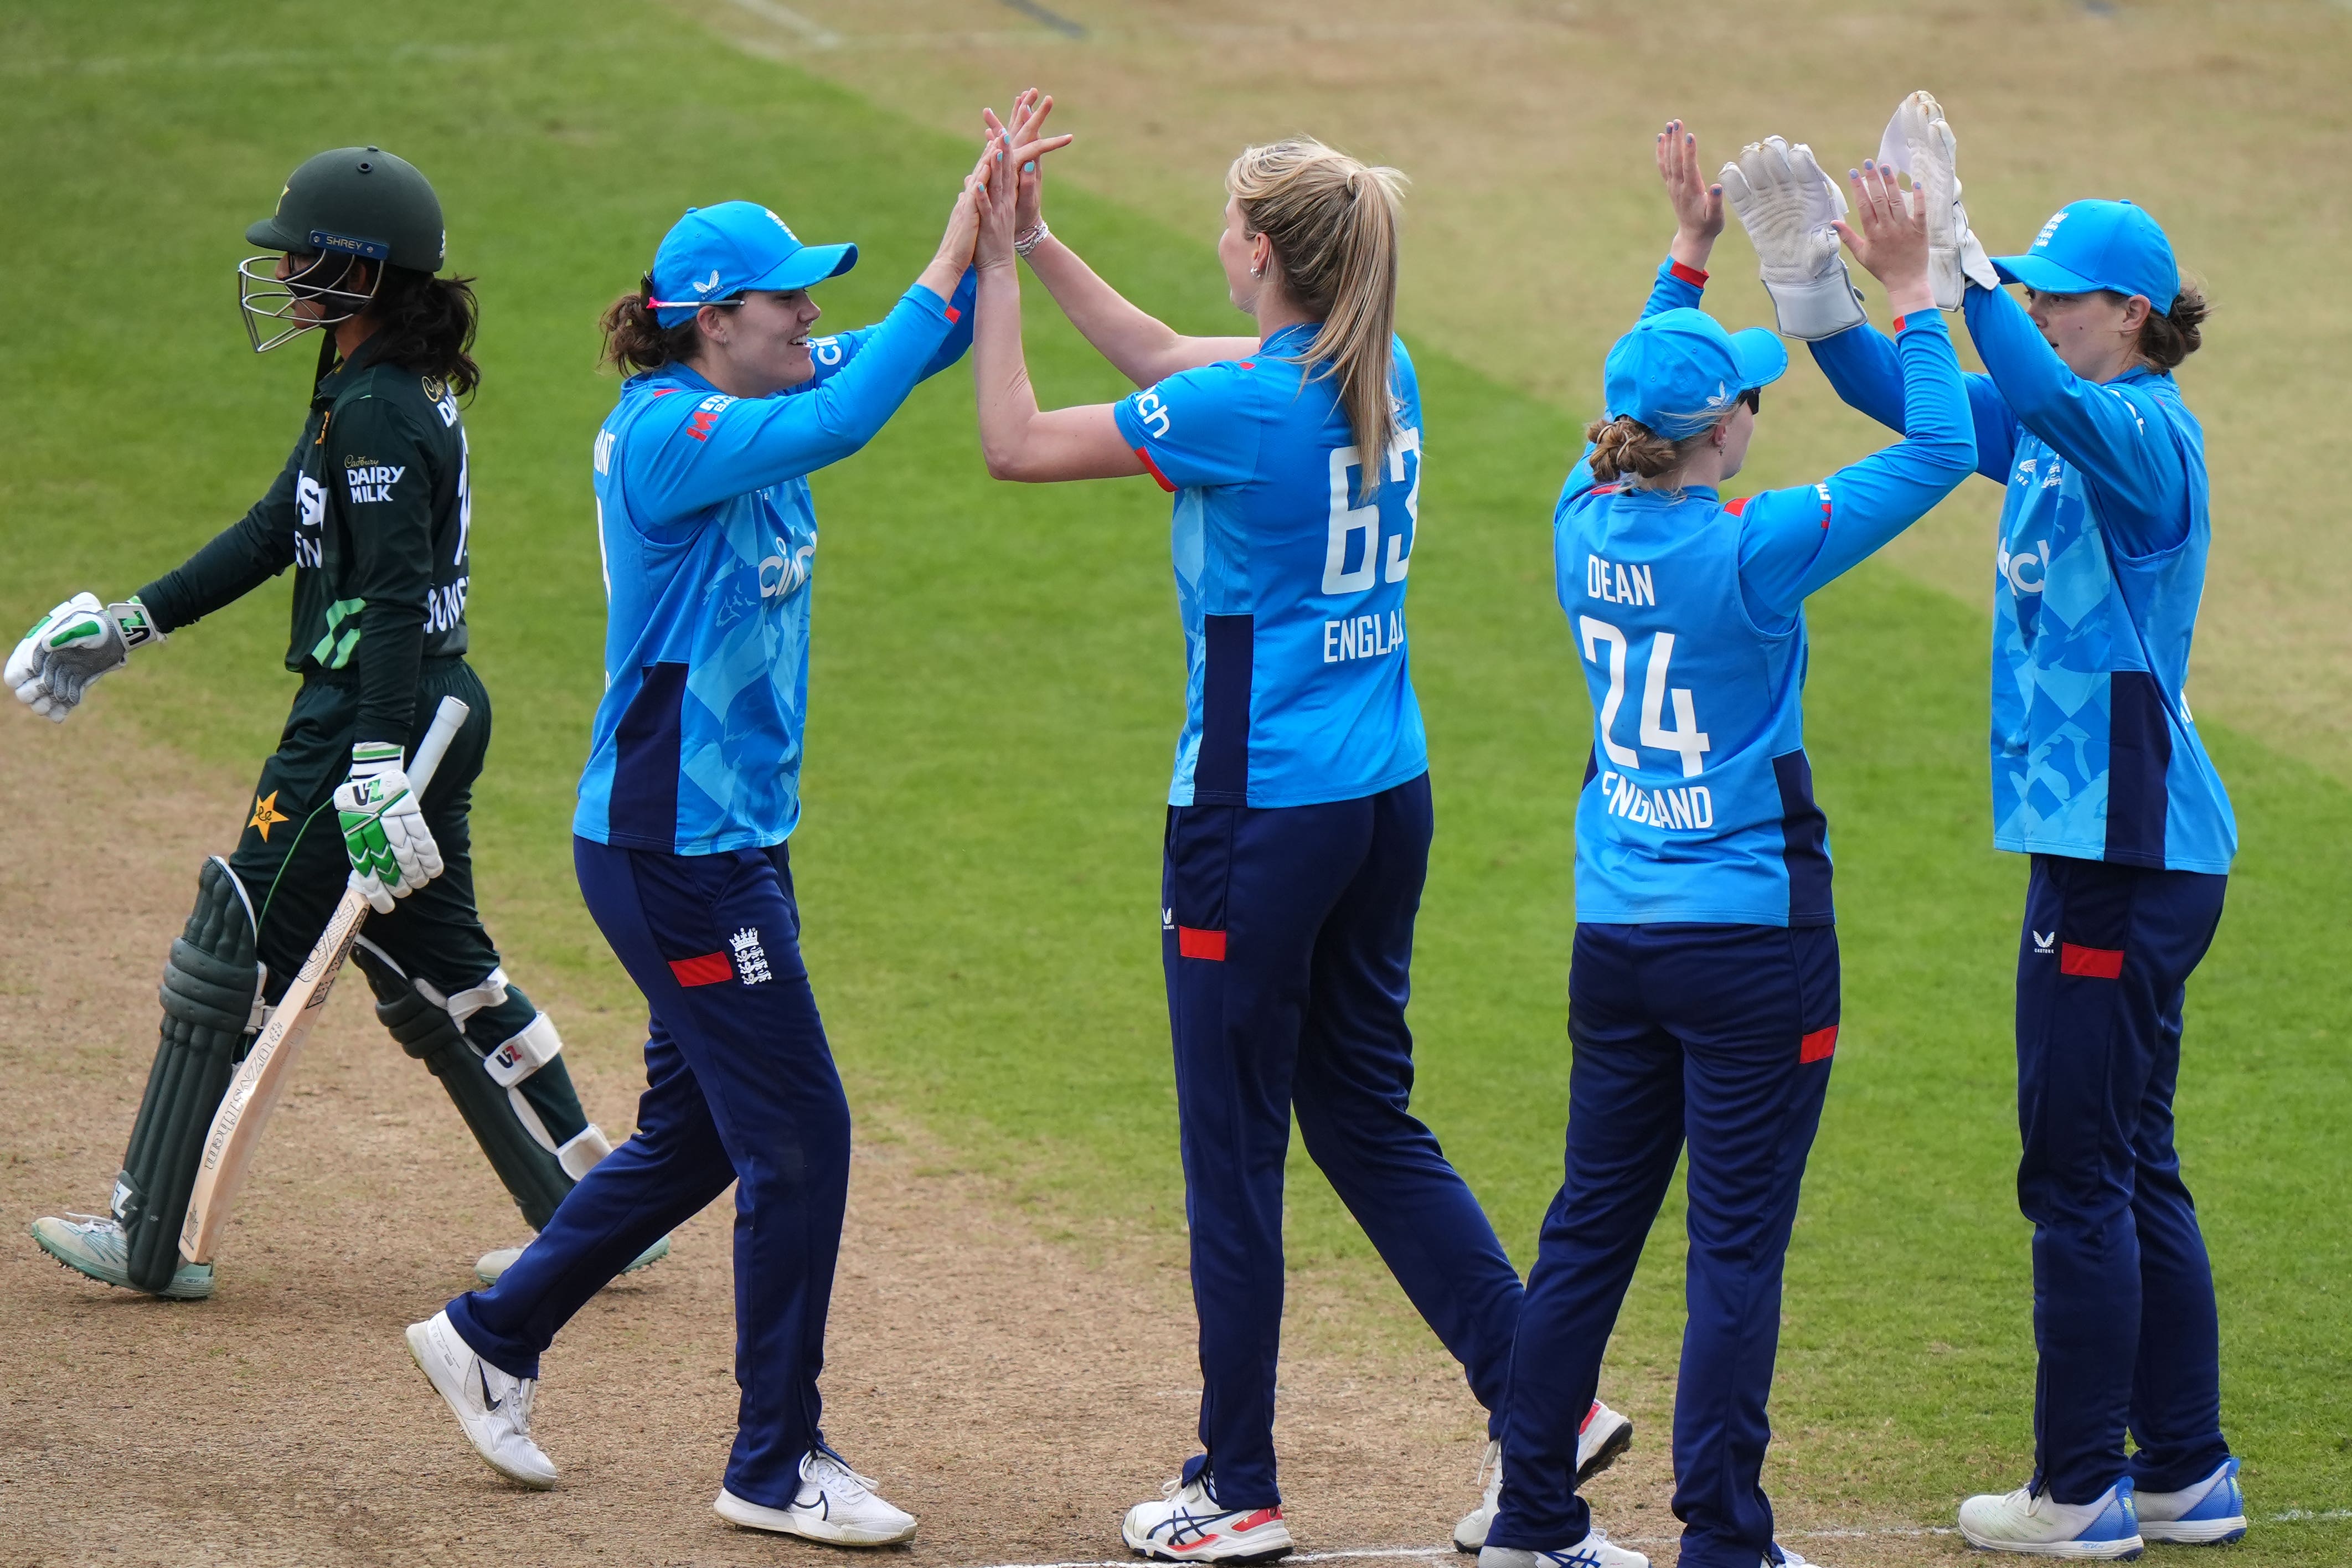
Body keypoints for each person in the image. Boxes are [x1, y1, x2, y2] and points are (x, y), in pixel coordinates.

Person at [966, 95, 1630, 1562]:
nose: (1212, 241)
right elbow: (1159, 363)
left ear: (1259, 251)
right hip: (1384, 800)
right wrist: (1047, 242)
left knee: (1234, 1153)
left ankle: (1236, 1483)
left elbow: (1013, 442)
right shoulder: (1368, 367)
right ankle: (1546, 1396)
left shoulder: (1249, 407)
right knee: (1362, 1113)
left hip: (1252, 822)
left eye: (1222, 222)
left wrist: (990, 271)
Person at [400, 132, 1039, 1543]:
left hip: (729, 837)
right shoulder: (672, 435)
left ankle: (492, 1335)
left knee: (700, 1135)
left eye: (814, 298)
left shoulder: (757, 387)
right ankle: (772, 1463)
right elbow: (847, 415)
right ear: (712, 320)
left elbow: (889, 360)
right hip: (674, 852)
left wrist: (994, 245)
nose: (812, 319)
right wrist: (948, 256)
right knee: (800, 1135)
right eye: (788, 300)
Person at [10, 145, 659, 1302]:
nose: (287, 271)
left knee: (236, 945)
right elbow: (277, 531)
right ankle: (596, 1213)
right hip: (423, 711)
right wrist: (129, 627)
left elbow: (396, 596)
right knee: (435, 965)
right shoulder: (364, 388)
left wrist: (370, 768)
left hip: (373, 715)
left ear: (365, 275)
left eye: (307, 255)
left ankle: (149, 1233)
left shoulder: (376, 411)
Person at [1478, 123, 1974, 1568]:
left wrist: (1685, 253)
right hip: (1751, 938)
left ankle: (1531, 1518)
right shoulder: (1754, 549)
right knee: (1734, 1252)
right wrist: (1913, 294)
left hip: (1617, 930)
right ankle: (1722, 1539)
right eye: (1746, 402)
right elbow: (1942, 445)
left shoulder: (1583, 519)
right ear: (1722, 433)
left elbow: (1643, 377)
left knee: (1586, 1236)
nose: (1757, 413)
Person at [1805, 94, 2243, 1558]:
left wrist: (1959, 268)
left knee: (2074, 1172)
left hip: (2120, 857)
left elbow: (2039, 398)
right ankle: (2185, 1472)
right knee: (2131, 1162)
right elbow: (1900, 394)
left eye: (2063, 297)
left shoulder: (2135, 430)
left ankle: (2080, 1492)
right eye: (2034, 294)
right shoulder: (2070, 416)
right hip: (2128, 845)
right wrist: (1820, 286)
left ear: (2130, 310)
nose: (2042, 313)